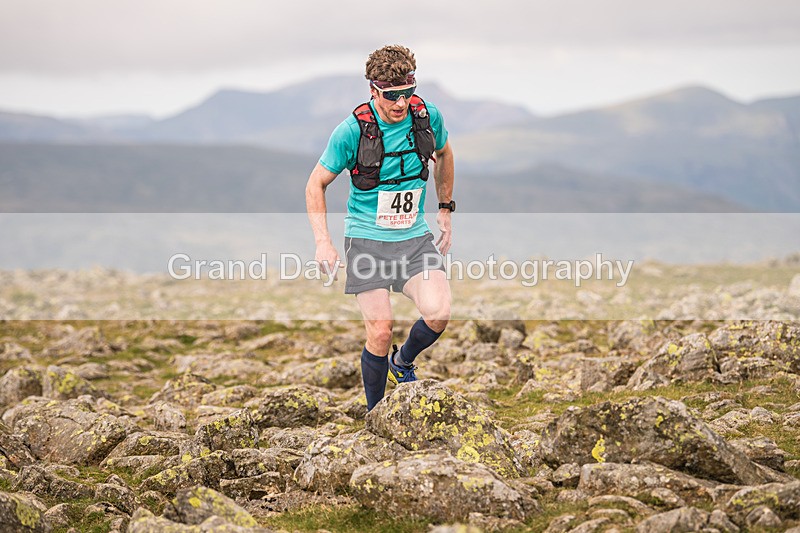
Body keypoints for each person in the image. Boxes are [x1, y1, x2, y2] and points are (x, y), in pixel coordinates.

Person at [305, 44, 455, 411]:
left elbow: (446, 155)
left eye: (408, 92)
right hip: (367, 241)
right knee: (381, 329)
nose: (401, 103)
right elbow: (315, 185)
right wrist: (323, 242)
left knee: (438, 313)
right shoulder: (351, 131)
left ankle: (401, 363)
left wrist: (446, 209)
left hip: (414, 239)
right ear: (374, 90)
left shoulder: (426, 117)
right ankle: (376, 414)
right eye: (391, 96)